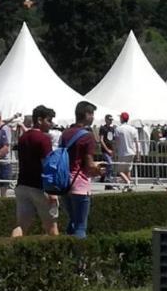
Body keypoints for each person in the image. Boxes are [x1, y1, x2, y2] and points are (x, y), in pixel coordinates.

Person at [11, 105, 59, 237]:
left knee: (21, 225)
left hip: (22, 185)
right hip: (39, 187)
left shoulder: (23, 138)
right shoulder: (43, 139)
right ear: (39, 120)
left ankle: (11, 252)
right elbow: (47, 166)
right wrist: (52, 191)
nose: (51, 124)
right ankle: (58, 256)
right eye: (48, 120)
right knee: (52, 226)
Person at [61, 101, 100, 238]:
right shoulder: (87, 136)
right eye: (92, 114)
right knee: (80, 226)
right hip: (80, 183)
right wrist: (99, 170)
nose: (93, 117)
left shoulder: (65, 134)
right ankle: (80, 257)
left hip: (64, 182)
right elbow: (89, 165)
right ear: (86, 115)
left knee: (72, 222)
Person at [113, 112, 140, 188]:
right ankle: (127, 186)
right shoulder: (133, 129)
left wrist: (114, 152)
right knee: (127, 170)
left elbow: (116, 142)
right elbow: (137, 143)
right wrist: (138, 154)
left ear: (121, 118)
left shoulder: (118, 129)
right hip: (131, 152)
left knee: (119, 171)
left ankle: (128, 182)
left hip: (123, 152)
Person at [98, 113, 116, 187]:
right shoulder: (103, 128)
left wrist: (114, 150)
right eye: (109, 119)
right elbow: (101, 140)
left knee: (108, 165)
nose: (110, 121)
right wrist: (107, 150)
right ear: (106, 120)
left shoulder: (112, 129)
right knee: (110, 164)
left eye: (111, 120)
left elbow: (113, 140)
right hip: (105, 150)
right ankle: (108, 179)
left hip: (111, 149)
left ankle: (103, 177)